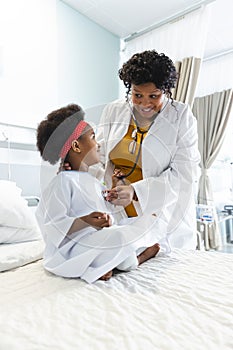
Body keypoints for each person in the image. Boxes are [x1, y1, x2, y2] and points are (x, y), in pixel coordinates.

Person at [35, 104, 162, 284]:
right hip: (75, 246)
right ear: (76, 146)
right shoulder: (62, 182)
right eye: (93, 137)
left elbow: (104, 208)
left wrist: (114, 193)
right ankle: (137, 259)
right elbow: (52, 225)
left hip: (99, 238)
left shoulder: (93, 181)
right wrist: (84, 221)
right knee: (118, 237)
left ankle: (108, 263)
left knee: (145, 222)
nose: (98, 143)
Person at [93, 49, 200, 253]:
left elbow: (185, 175)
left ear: (166, 91)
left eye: (154, 96)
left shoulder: (181, 116)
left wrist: (136, 192)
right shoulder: (113, 110)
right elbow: (99, 157)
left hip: (162, 217)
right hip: (119, 212)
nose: (144, 103)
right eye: (137, 95)